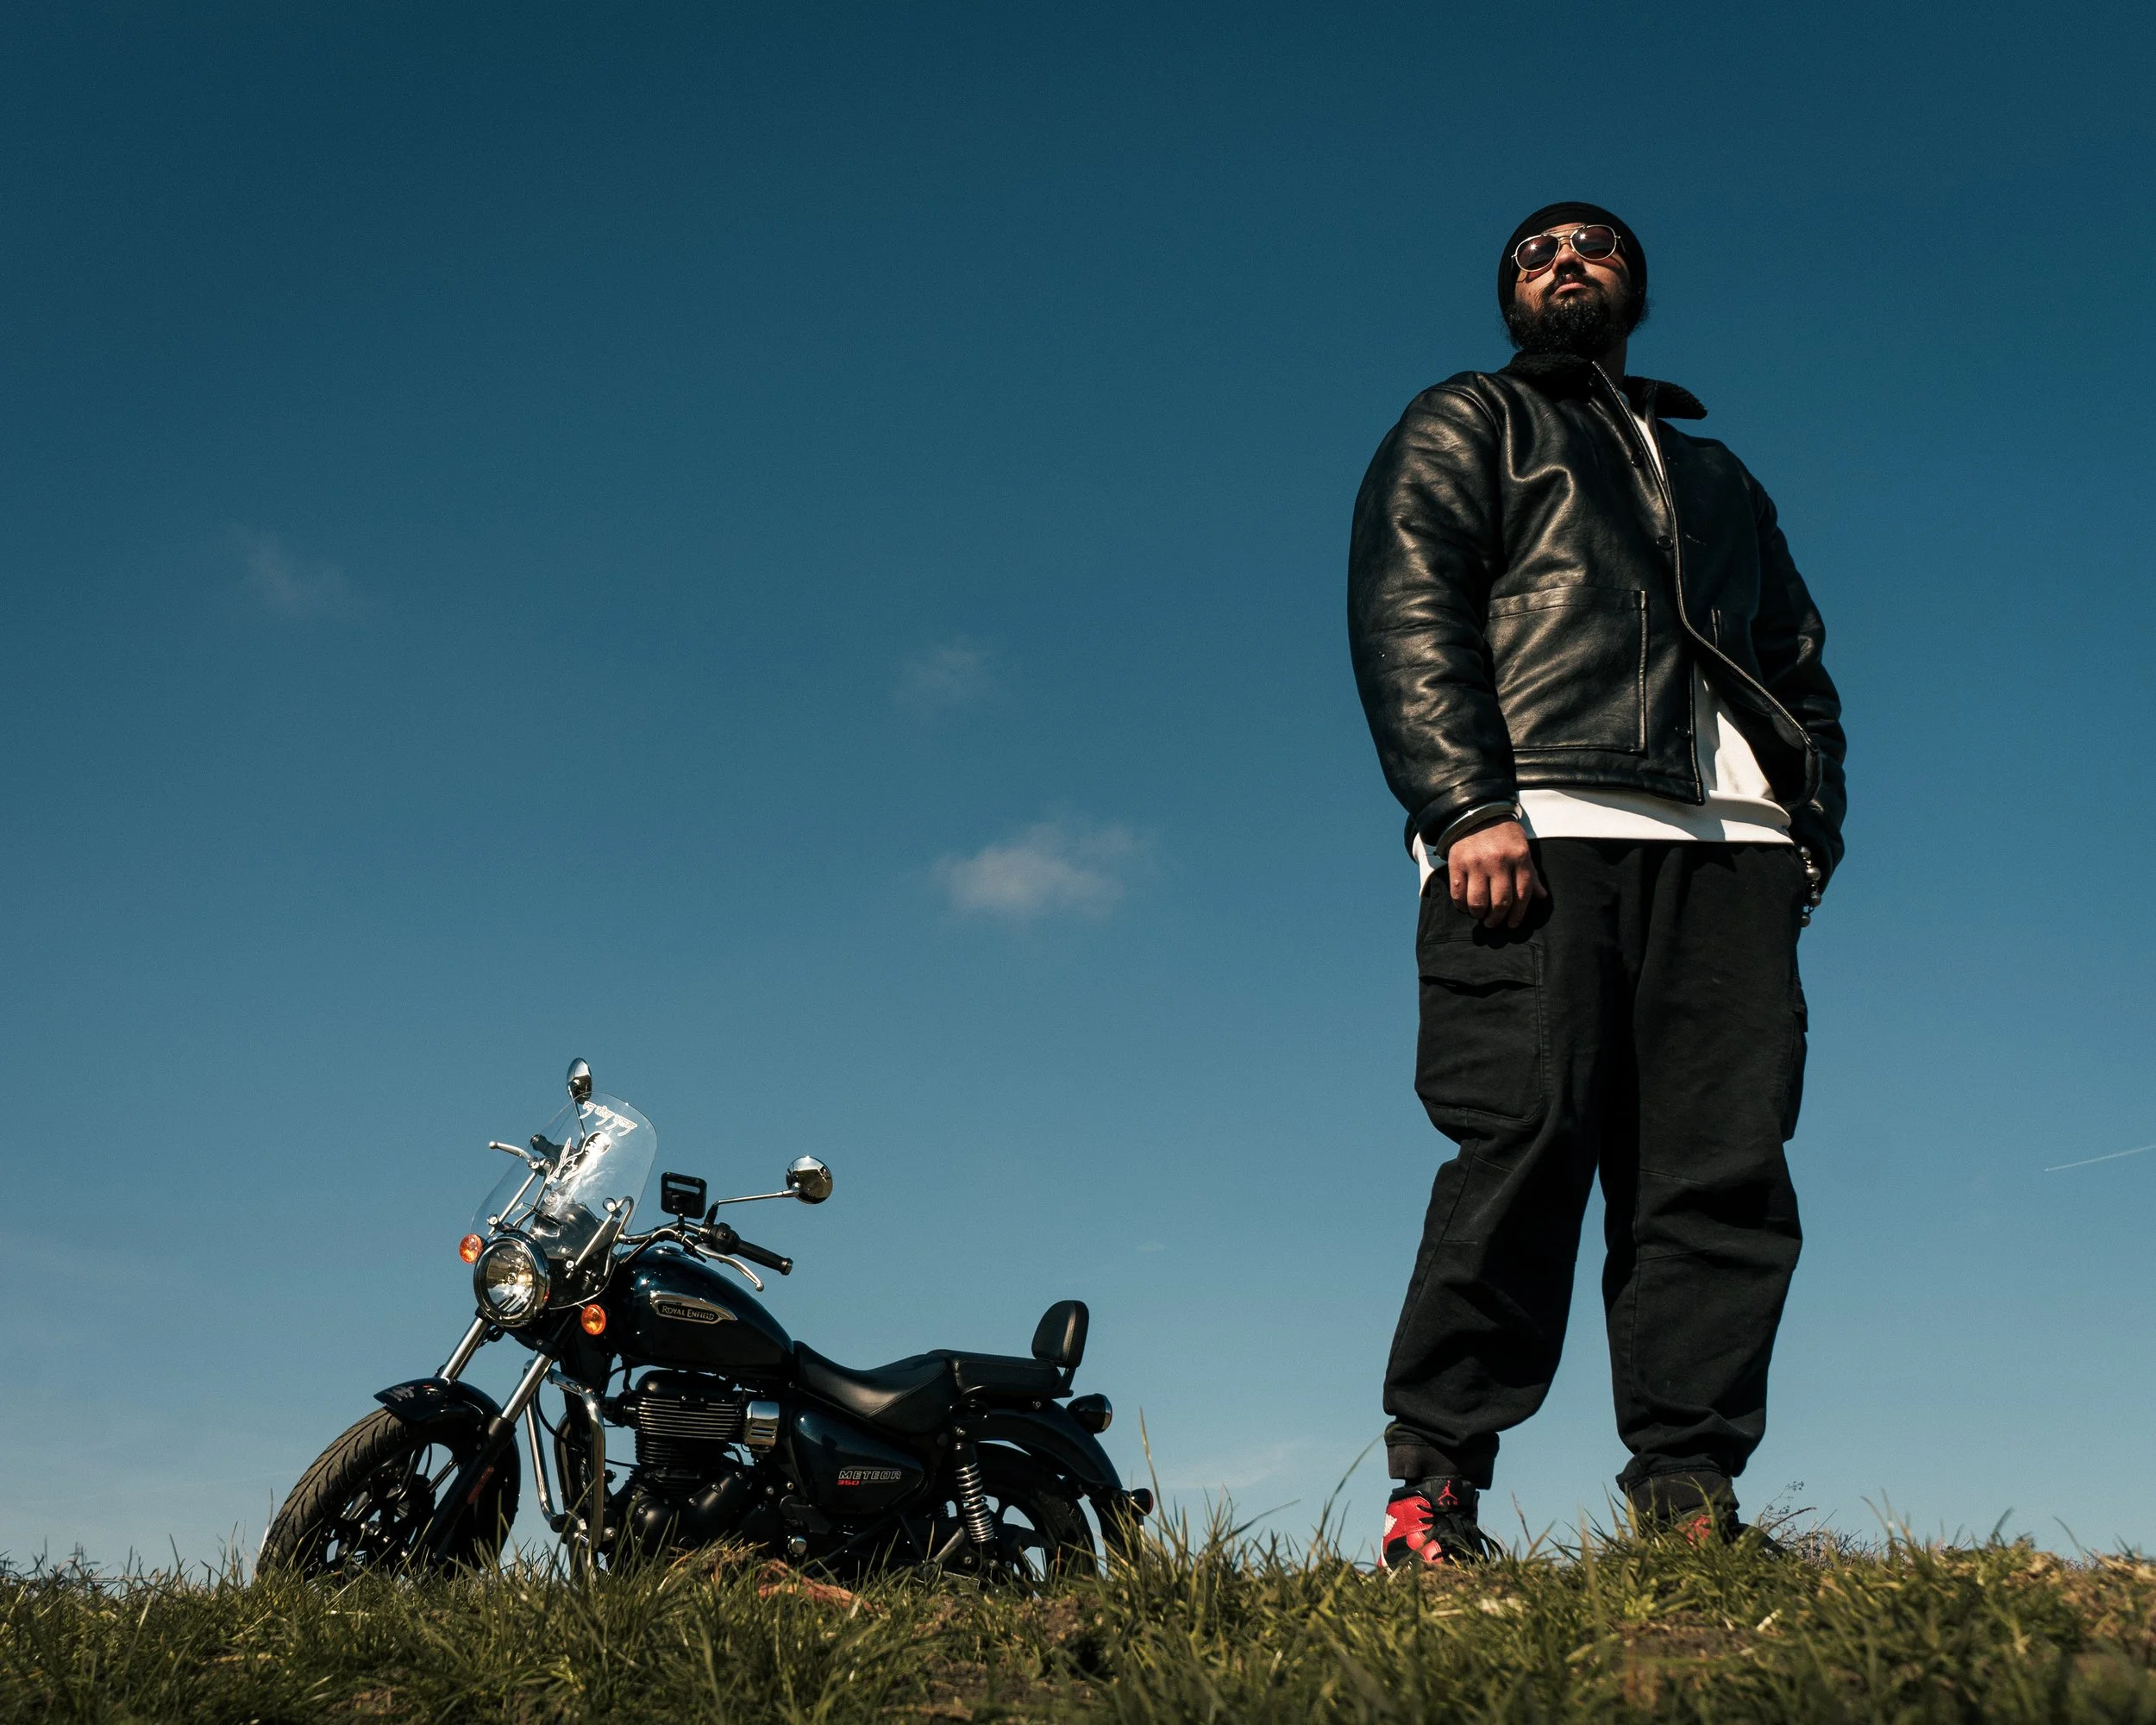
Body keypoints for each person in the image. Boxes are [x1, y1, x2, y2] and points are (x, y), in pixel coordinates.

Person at [1346, 202, 1846, 1565]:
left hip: (1733, 852)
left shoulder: (1723, 475)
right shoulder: (1471, 421)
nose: (1566, 261)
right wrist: (1465, 804)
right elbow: (1411, 607)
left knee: (1719, 1179)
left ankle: (1689, 1503)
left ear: (1636, 284)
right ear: (1513, 296)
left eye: (1595, 246)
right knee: (1522, 1142)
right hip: (1538, 825)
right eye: (1535, 252)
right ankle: (1435, 1491)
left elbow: (1797, 659)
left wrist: (1808, 827)